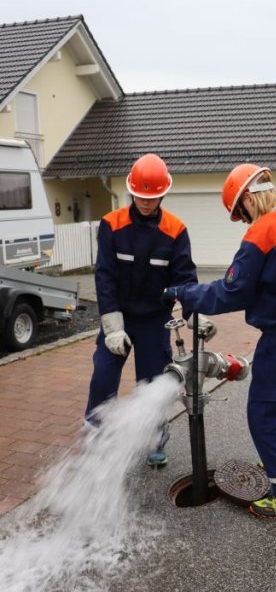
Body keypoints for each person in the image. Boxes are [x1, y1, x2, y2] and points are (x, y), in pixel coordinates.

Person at [162, 163, 276, 518]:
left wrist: (186, 294)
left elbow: (232, 291)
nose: (244, 221)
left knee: (265, 413)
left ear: (249, 198)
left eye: (241, 213)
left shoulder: (264, 231)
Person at [84, 153, 207, 467]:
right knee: (103, 377)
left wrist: (195, 314)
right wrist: (112, 328)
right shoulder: (112, 225)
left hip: (155, 319)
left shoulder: (176, 230)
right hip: (119, 316)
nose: (146, 202)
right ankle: (96, 436)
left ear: (163, 194)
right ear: (131, 192)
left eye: (151, 197)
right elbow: (105, 276)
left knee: (153, 385)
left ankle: (155, 441)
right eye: (140, 196)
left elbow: (185, 279)